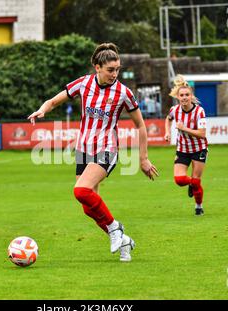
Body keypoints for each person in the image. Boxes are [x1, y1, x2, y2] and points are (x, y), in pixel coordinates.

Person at [28, 43, 159, 262]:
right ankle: (124, 240)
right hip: (84, 149)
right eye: (110, 70)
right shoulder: (83, 84)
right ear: (97, 67)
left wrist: (143, 158)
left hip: (107, 148)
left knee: (80, 191)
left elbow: (141, 126)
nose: (114, 74)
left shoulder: (123, 93)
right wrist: (42, 110)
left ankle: (115, 229)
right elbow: (52, 101)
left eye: (117, 69)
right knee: (88, 207)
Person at [164, 75, 208, 216]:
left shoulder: (199, 111)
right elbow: (168, 119)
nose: (184, 97)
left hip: (199, 149)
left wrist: (184, 129)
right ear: (177, 97)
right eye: (181, 95)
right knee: (179, 180)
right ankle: (192, 183)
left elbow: (202, 134)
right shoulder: (174, 110)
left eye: (187, 95)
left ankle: (198, 206)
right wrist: (167, 133)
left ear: (191, 96)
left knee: (197, 181)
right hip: (182, 149)